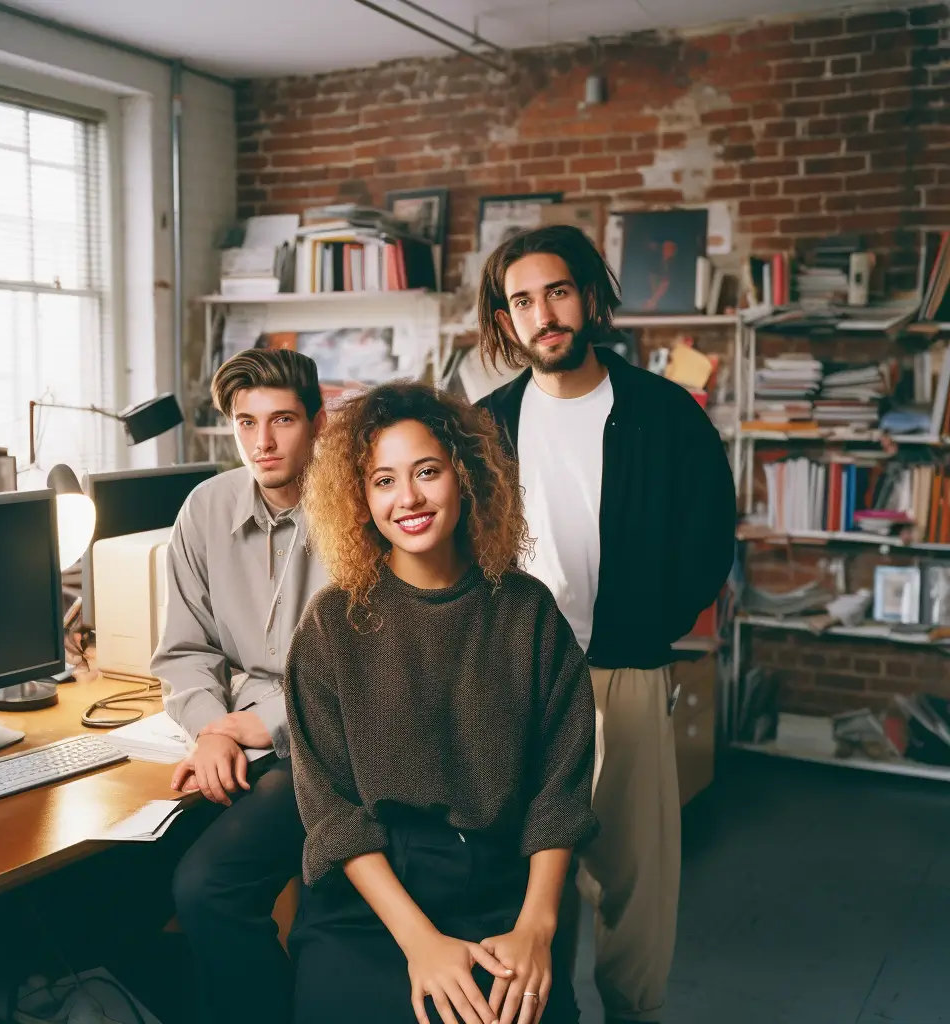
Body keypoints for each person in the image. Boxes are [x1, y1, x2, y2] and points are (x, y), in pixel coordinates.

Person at [475, 225, 737, 1024]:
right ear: (506, 319)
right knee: (526, 872)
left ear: (589, 298)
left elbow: (709, 537)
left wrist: (648, 628)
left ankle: (631, 1012)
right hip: (515, 679)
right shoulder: (484, 425)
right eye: (522, 300)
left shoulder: (665, 413)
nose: (543, 314)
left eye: (556, 292)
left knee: (634, 877)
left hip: (625, 669)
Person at [283, 381, 598, 1024]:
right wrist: (419, 943)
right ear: (360, 498)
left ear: (465, 475)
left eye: (427, 471)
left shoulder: (527, 613)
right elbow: (332, 812)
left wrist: (537, 928)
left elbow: (559, 793)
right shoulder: (330, 626)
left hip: (502, 886)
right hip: (374, 900)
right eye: (383, 481)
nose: (410, 499)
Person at [149, 347, 329, 1023]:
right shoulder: (204, 509)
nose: (263, 441)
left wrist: (262, 724)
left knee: (207, 888)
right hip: (235, 737)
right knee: (124, 879)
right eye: (246, 422)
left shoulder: (360, 508)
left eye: (282, 420)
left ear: (317, 422)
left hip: (329, 743)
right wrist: (211, 729)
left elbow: (375, 664)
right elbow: (184, 650)